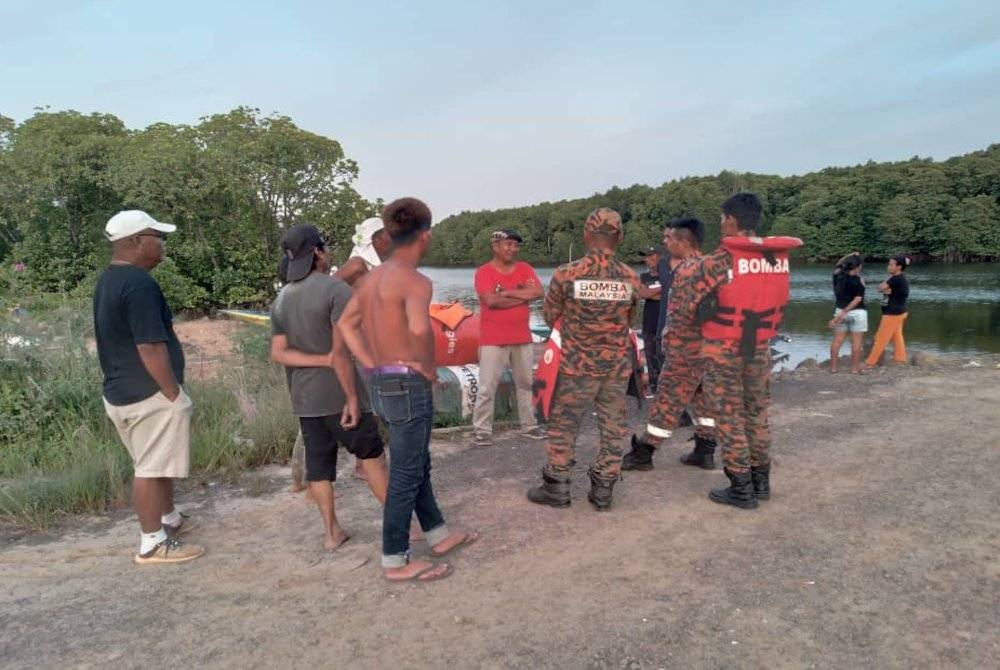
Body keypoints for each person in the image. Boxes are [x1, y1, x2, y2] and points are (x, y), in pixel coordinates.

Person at [337, 197, 477, 583]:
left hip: (381, 381)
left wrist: (369, 361)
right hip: (407, 383)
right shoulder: (416, 281)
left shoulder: (369, 281)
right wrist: (428, 368)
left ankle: (438, 534)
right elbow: (418, 329)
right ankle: (395, 558)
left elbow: (347, 326)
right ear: (426, 235)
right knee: (406, 472)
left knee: (417, 463)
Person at [270, 224, 390, 551]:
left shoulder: (281, 298)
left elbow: (278, 353)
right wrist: (351, 395)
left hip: (304, 398)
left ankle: (331, 532)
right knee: (373, 458)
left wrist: (319, 360)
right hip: (339, 393)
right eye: (325, 248)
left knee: (320, 467)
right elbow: (344, 348)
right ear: (319, 253)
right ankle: (403, 524)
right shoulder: (335, 291)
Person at [93, 210, 204, 564]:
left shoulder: (109, 280)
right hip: (147, 394)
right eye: (158, 236)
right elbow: (150, 345)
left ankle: (169, 519)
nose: (163, 244)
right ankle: (152, 543)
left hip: (121, 389)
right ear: (136, 241)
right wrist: (172, 393)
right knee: (150, 468)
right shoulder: (139, 284)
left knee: (157, 461)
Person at [526, 208, 641, 511]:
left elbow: (552, 318)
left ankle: (558, 489)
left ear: (586, 236)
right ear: (620, 237)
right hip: (615, 369)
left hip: (576, 367)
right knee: (613, 426)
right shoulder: (630, 277)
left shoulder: (566, 274)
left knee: (564, 425)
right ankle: (604, 490)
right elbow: (629, 320)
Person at [694, 193, 802, 509]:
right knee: (757, 414)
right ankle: (761, 481)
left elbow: (691, 305)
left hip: (724, 349)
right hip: (758, 346)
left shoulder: (717, 261)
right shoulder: (776, 258)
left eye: (721, 217)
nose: (720, 223)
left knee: (729, 417)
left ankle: (740, 487)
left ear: (730, 219)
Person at [286, 217, 393, 492]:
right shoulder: (358, 264)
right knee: (333, 416)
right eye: (388, 235)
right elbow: (324, 288)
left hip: (370, 348)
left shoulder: (377, 266)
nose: (391, 240)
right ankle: (302, 476)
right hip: (351, 351)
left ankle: (352, 467)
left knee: (359, 411)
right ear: (376, 238)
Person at [622, 218, 718, 471]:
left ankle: (644, 452)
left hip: (684, 351)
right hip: (704, 350)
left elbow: (684, 315)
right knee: (703, 400)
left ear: (683, 242)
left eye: (668, 238)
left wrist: (673, 345)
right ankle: (705, 449)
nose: (665, 243)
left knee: (666, 402)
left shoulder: (689, 270)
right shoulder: (709, 266)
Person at [472, 229, 545, 446]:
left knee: (525, 383)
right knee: (487, 387)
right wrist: (521, 296)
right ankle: (482, 430)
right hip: (493, 338)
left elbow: (538, 293)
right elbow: (490, 301)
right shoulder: (483, 272)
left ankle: (529, 426)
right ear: (495, 246)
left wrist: (505, 292)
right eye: (508, 244)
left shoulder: (525, 268)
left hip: (522, 336)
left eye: (516, 245)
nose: (513, 249)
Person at [864, 254, 911, 368]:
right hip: (898, 312)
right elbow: (883, 289)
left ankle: (870, 362)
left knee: (880, 338)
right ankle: (900, 357)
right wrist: (886, 289)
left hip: (893, 313)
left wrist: (885, 289)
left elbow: (880, 288)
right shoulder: (896, 278)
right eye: (888, 264)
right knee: (896, 336)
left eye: (891, 265)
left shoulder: (896, 279)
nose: (888, 266)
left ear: (898, 267)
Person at [828, 253, 867, 374]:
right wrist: (845, 312)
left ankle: (833, 368)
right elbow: (857, 299)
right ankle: (855, 369)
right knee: (856, 342)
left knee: (837, 340)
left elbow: (838, 263)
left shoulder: (837, 276)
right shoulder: (858, 280)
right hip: (857, 313)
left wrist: (850, 255)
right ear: (858, 267)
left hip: (840, 310)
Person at [636, 246, 665, 394]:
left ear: (659, 257)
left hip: (665, 323)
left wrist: (652, 293)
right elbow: (642, 293)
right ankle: (655, 388)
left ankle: (668, 388)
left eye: (650, 256)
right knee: (650, 356)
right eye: (645, 256)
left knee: (665, 356)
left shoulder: (667, 274)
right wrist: (663, 289)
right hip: (649, 323)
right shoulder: (644, 277)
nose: (647, 259)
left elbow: (667, 293)